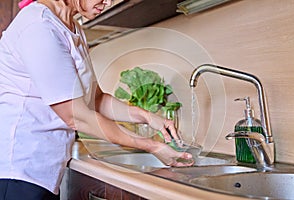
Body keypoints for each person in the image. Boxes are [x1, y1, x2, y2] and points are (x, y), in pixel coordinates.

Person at [0, 0, 194, 199]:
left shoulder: (74, 28)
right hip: (18, 170)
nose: (108, 2)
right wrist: (151, 145)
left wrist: (148, 117)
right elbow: (76, 117)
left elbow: (97, 99)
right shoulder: (38, 27)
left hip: (42, 171)